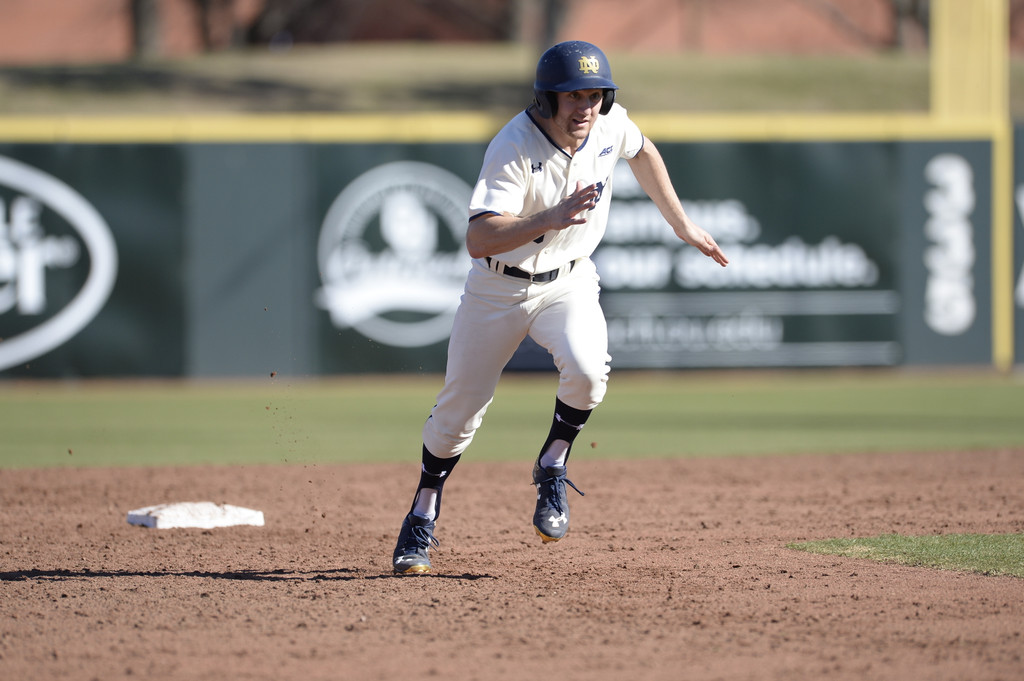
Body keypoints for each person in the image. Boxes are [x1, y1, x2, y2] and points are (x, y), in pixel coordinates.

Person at [392, 40, 729, 574]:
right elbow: (479, 239)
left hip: (569, 282)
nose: (585, 107)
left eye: (595, 95)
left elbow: (641, 150)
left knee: (590, 373)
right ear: (546, 99)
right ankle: (422, 512)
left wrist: (681, 224)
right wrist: (549, 217)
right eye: (572, 96)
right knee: (459, 412)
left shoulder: (608, 127)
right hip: (496, 288)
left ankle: (552, 463)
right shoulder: (513, 144)